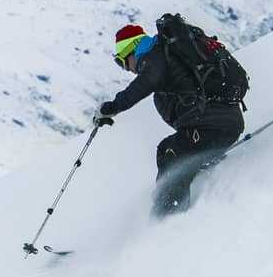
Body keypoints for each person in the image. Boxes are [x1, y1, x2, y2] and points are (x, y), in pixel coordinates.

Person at [96, 21, 246, 217]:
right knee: (167, 150)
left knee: (171, 154)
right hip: (221, 123)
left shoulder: (153, 58)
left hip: (214, 127)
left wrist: (112, 107)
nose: (127, 69)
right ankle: (196, 173)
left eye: (122, 62)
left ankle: (166, 220)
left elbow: (141, 86)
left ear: (132, 49)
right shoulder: (164, 52)